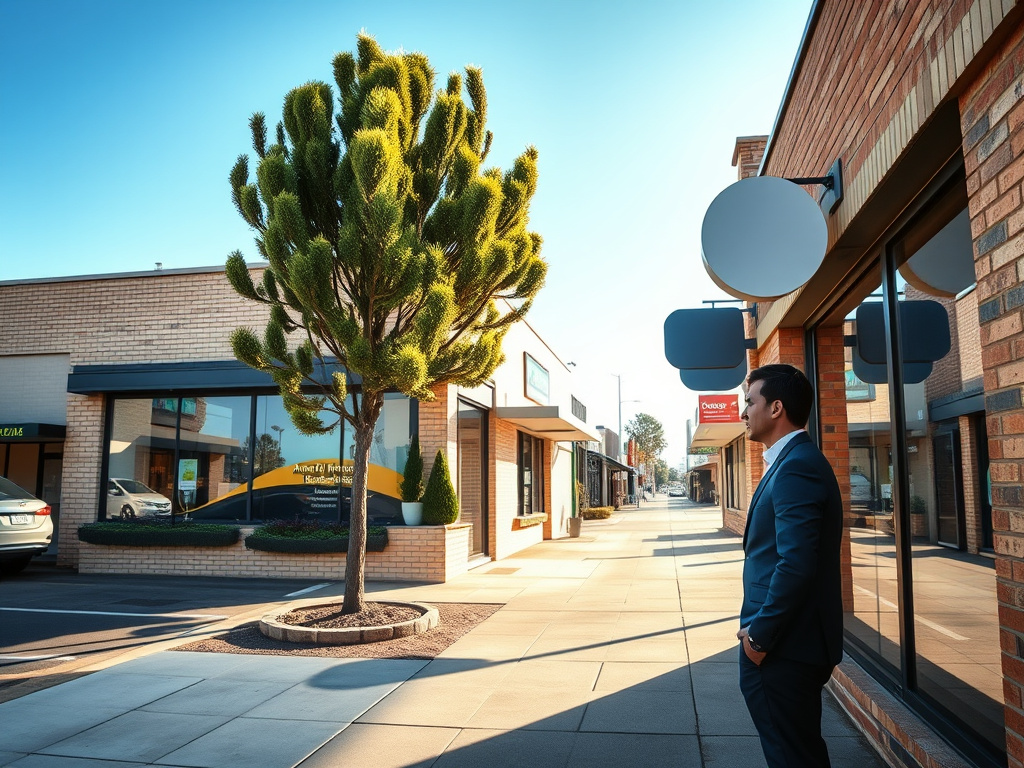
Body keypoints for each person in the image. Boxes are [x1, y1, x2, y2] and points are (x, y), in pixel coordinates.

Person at [736, 364, 843, 767]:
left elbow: (796, 563)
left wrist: (759, 639)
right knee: (798, 752)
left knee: (791, 756)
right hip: (790, 644)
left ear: (776, 407)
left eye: (750, 402)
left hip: (784, 648)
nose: (743, 413)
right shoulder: (788, 461)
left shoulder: (796, 465)